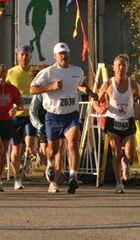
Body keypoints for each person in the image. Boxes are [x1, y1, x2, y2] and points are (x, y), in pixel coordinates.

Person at [30, 42, 97, 194]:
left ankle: (73, 177)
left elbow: (80, 83)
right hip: (53, 116)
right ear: (55, 56)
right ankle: (50, 164)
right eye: (60, 54)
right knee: (53, 150)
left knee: (73, 143)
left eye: (65, 53)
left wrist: (91, 93)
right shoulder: (48, 72)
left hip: (71, 115)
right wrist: (50, 87)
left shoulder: (77, 70)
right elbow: (33, 89)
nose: (63, 56)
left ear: (69, 54)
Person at [92, 54, 140, 194]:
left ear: (127, 67)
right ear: (114, 67)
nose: (121, 67)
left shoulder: (133, 84)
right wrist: (99, 109)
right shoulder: (108, 84)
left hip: (128, 121)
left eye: (124, 65)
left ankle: (126, 163)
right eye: (119, 65)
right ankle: (118, 183)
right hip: (113, 121)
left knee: (129, 153)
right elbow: (96, 99)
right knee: (117, 153)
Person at [0, 64, 21, 191]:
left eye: (3, 77)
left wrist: (15, 109)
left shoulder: (11, 89)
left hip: (6, 122)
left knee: (3, 152)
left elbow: (20, 104)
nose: (1, 80)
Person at [7, 46, 37, 190]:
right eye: (22, 55)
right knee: (16, 149)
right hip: (16, 116)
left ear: (31, 56)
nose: (25, 57)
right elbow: (3, 89)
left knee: (30, 143)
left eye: (28, 55)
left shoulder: (35, 72)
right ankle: (17, 177)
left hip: (31, 115)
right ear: (18, 56)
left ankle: (28, 162)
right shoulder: (11, 73)